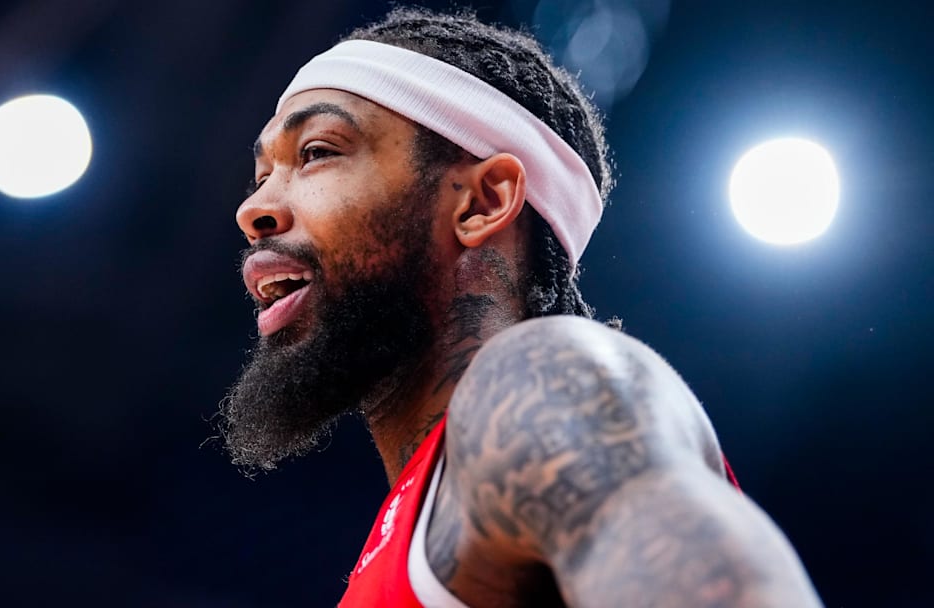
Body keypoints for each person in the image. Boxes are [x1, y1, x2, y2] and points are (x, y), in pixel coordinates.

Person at [220, 7, 822, 607]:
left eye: (316, 152)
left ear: (482, 202)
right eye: (262, 174)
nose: (254, 210)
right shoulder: (421, 519)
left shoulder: (544, 388)